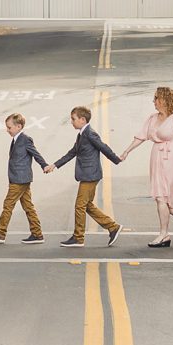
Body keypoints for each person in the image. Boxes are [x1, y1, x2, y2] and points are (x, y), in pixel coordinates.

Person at [120, 86, 173, 248]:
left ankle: (165, 233)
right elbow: (141, 136)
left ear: (165, 100)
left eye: (156, 99)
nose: (154, 102)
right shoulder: (153, 118)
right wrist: (126, 152)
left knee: (166, 198)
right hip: (158, 159)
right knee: (161, 198)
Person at [49, 105, 124, 248]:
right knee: (87, 205)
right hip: (88, 174)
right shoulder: (82, 134)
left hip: (90, 175)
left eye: (73, 119)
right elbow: (72, 152)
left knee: (80, 205)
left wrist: (116, 159)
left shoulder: (90, 133)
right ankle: (113, 227)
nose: (71, 122)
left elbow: (103, 147)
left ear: (82, 120)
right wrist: (54, 165)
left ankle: (78, 237)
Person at [0, 112, 49, 244]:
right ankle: (37, 234)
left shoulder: (25, 139)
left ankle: (0, 233)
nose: (7, 130)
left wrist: (44, 165)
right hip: (20, 178)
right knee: (28, 207)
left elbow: (35, 154)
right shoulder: (16, 140)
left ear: (18, 126)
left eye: (9, 127)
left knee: (8, 204)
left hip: (19, 179)